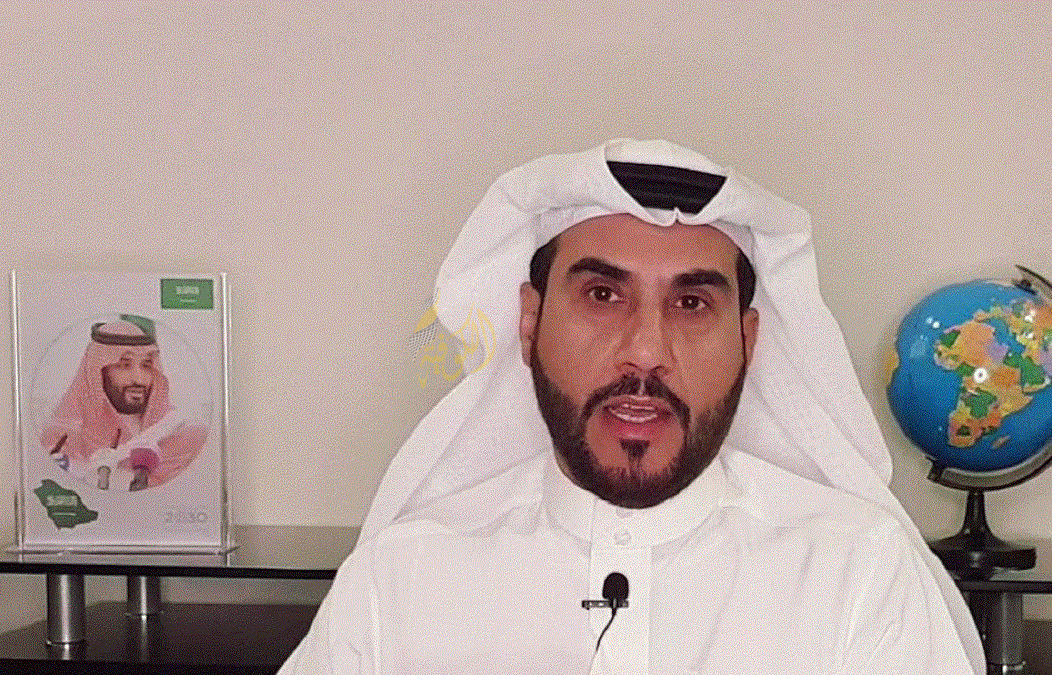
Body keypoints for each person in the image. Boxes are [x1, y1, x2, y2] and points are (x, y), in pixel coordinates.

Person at [279, 140, 985, 673]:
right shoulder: (399, 582)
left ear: (748, 340)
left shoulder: (860, 575)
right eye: (602, 295)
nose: (646, 351)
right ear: (528, 322)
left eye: (691, 303)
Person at [41, 314, 207, 491]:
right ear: (98, 371)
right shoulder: (61, 439)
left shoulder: (183, 433)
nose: (138, 379)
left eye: (146, 365)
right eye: (124, 365)